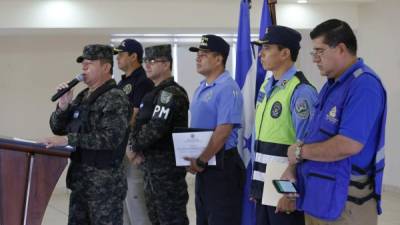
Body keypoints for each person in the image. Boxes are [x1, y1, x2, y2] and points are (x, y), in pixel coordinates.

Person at [286, 19, 387, 225]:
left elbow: (348, 144)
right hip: (319, 196)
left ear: (341, 49)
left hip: (344, 203)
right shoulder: (332, 85)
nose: (315, 59)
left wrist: (299, 152)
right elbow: (315, 135)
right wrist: (294, 167)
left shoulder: (364, 85)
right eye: (313, 53)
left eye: (319, 51)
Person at [43, 44, 132, 225]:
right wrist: (63, 106)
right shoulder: (83, 96)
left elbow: (111, 138)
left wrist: (69, 139)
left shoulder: (115, 97)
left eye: (89, 64)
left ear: (106, 67)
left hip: (105, 186)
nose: (84, 68)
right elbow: (57, 128)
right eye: (83, 64)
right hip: (81, 182)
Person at [250, 25, 318, 225]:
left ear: (285, 53)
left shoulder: (301, 91)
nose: (261, 54)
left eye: (267, 48)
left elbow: (305, 144)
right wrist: (257, 185)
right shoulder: (266, 85)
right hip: (264, 184)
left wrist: (290, 194)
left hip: (284, 186)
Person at [186, 34, 245, 225]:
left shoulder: (227, 87)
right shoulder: (202, 87)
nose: (198, 58)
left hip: (222, 167)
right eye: (197, 54)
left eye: (203, 54)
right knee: (203, 219)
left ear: (219, 59)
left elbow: (223, 131)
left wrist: (201, 160)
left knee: (221, 219)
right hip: (205, 165)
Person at [128, 44, 190, 225]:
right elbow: (137, 123)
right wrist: (136, 146)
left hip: (166, 170)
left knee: (171, 218)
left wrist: (133, 147)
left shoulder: (170, 93)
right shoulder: (153, 93)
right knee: (155, 218)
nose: (147, 65)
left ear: (166, 64)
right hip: (150, 168)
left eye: (153, 61)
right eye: (146, 61)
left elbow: (155, 128)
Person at [114, 38, 153, 225]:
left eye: (121, 55)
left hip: (132, 147)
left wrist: (127, 143)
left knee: (135, 200)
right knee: (123, 204)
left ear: (134, 56)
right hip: (118, 146)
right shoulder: (122, 84)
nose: (117, 59)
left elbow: (136, 114)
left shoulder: (142, 81)